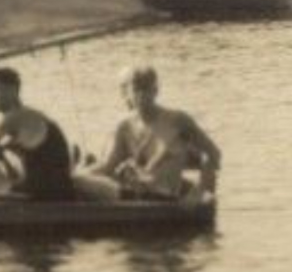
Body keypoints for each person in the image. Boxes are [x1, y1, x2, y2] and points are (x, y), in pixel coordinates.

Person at [74, 65, 222, 202]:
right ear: (127, 94)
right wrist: (76, 177)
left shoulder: (178, 120)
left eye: (146, 88)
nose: (141, 95)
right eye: (136, 89)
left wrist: (198, 191)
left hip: (166, 198)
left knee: (80, 181)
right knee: (80, 176)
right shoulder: (124, 127)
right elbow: (108, 166)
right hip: (134, 195)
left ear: (155, 90)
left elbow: (214, 154)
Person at [0, 67, 76, 200]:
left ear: (13, 90)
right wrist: (1, 156)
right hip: (59, 191)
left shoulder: (15, 116)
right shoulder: (32, 115)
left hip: (39, 195)